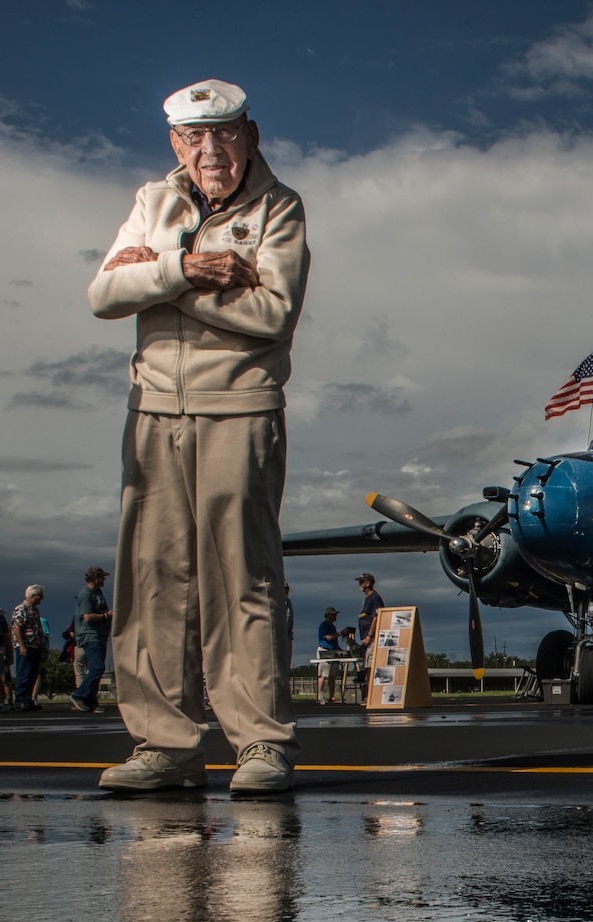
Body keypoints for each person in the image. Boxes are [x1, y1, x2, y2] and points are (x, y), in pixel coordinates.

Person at [87, 77, 308, 794]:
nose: (209, 151)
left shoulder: (278, 209)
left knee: (241, 577)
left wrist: (152, 279)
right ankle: (165, 745)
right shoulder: (154, 201)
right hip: (152, 408)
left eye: (224, 133)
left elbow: (272, 313)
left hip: (239, 406)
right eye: (193, 137)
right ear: (174, 142)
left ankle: (261, 744)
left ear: (251, 133)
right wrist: (187, 270)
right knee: (153, 578)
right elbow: (101, 296)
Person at [71, 566, 112, 713]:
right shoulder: (86, 595)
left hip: (100, 635)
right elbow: (87, 616)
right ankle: (79, 695)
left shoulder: (98, 593)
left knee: (98, 668)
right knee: (97, 667)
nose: (104, 580)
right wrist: (106, 616)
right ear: (95, 577)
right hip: (90, 635)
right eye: (102, 577)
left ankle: (91, 701)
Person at [11, 585, 49, 711]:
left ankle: (28, 699)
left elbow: (38, 628)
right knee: (24, 673)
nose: (41, 599)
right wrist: (22, 645)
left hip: (35, 645)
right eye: (39, 596)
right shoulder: (21, 609)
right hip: (26, 645)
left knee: (32, 673)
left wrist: (42, 646)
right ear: (33, 596)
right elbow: (17, 627)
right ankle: (20, 700)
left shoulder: (34, 610)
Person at [313, 607, 341, 705]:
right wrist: (340, 633)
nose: (335, 616)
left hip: (333, 651)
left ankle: (331, 696)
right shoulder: (323, 626)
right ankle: (319, 696)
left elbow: (334, 641)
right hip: (324, 651)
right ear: (328, 615)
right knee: (323, 674)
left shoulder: (333, 627)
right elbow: (328, 637)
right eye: (333, 615)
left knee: (332, 675)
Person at [356, 573, 384, 648]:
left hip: (372, 639)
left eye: (361, 582)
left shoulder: (374, 598)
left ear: (367, 583)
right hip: (365, 638)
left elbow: (376, 617)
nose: (359, 584)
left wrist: (369, 636)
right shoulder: (368, 598)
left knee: (371, 658)